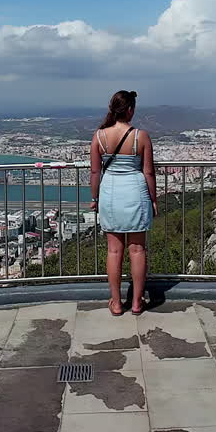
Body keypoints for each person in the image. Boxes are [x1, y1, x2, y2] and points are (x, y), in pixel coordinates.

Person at [89, 90, 157, 316]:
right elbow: (148, 172)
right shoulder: (141, 136)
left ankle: (116, 303)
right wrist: (153, 199)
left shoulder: (99, 136)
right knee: (137, 250)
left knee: (114, 250)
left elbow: (95, 172)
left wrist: (95, 198)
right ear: (130, 110)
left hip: (110, 193)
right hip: (136, 193)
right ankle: (137, 302)